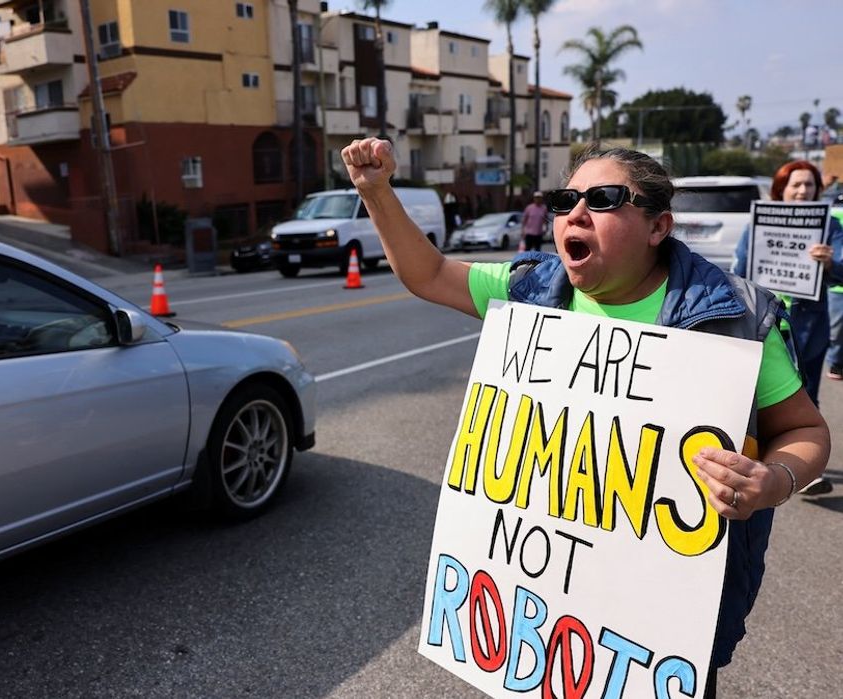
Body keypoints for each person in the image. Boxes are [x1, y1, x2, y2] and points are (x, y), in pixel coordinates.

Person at [341, 137, 830, 698]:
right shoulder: (531, 289)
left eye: (602, 198)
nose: (574, 213)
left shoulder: (732, 317)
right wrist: (375, 191)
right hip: (547, 626)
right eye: (564, 199)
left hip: (661, 634)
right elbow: (427, 274)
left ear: (658, 226)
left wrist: (774, 480)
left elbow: (805, 431)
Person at [731, 160, 842, 496]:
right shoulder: (759, 222)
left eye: (809, 185)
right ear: (782, 188)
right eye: (796, 185)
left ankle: (804, 468)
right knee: (757, 390)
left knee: (805, 393)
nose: (803, 191)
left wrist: (830, 262)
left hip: (809, 322)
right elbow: (739, 266)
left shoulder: (829, 226)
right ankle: (755, 453)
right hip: (765, 322)